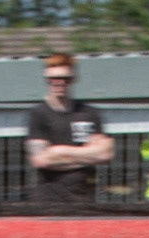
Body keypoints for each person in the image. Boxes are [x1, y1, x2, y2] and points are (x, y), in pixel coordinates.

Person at [26, 52, 112, 206]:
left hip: (84, 199)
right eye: (54, 79)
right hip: (48, 201)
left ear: (74, 79)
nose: (59, 83)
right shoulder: (38, 114)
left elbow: (105, 154)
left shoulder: (89, 113)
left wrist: (59, 152)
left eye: (65, 79)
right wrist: (87, 155)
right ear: (46, 80)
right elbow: (41, 159)